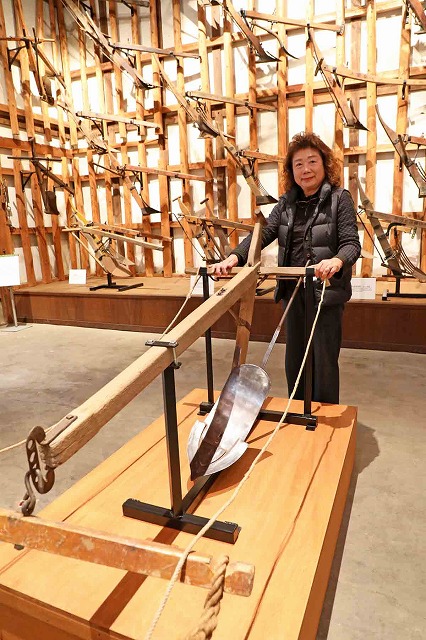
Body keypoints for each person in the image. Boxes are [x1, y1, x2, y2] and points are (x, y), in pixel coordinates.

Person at [214, 132, 361, 404]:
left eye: (312, 161)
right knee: (295, 360)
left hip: (324, 294)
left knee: (324, 361)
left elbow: (352, 243)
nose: (306, 169)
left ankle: (324, 414)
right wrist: (234, 257)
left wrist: (337, 261)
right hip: (292, 291)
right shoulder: (286, 203)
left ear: (325, 164)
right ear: (291, 171)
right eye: (298, 164)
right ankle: (297, 409)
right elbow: (264, 234)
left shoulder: (340, 199)